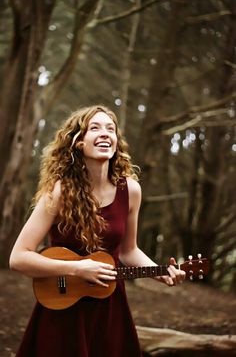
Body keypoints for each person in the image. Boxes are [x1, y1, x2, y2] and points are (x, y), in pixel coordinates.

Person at [10, 105, 186, 357]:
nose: (105, 133)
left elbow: (129, 250)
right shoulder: (59, 191)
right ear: (79, 142)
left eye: (110, 129)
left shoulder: (131, 191)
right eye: (95, 128)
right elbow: (18, 257)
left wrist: (158, 272)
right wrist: (77, 268)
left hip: (110, 305)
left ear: (116, 142)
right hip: (63, 306)